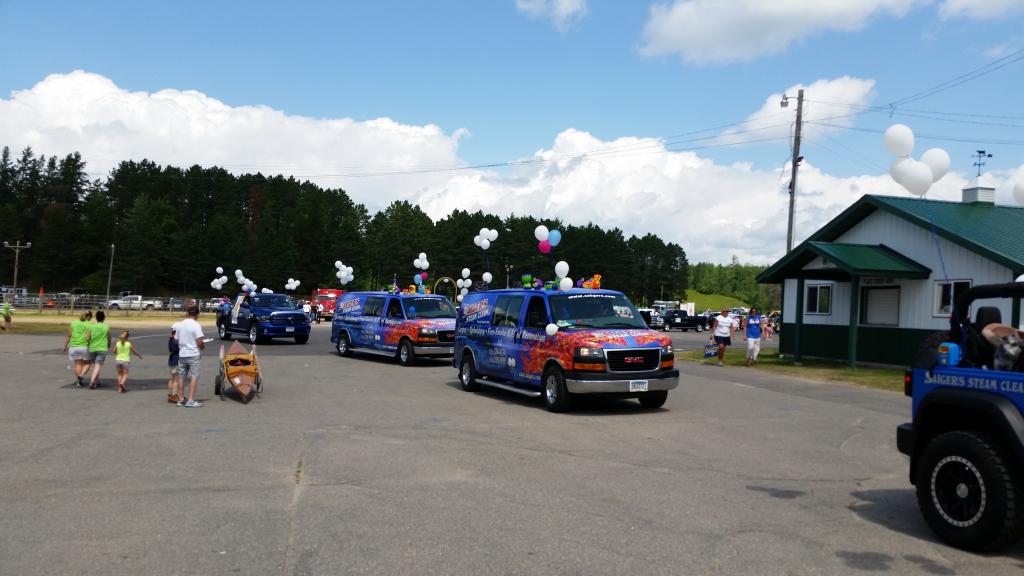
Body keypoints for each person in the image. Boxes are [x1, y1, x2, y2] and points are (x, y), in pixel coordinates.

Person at [176, 305, 205, 407]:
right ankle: (191, 400)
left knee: (181, 376)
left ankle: (180, 399)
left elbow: (177, 339)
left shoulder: (180, 324)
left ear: (187, 313)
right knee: (194, 376)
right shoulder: (196, 325)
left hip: (182, 353)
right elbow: (199, 342)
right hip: (193, 353)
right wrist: (202, 346)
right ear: (197, 314)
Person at [63, 311, 93, 386]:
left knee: (78, 364)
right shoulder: (89, 324)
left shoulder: (73, 323)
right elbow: (88, 338)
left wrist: (65, 345)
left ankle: (78, 382)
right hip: (84, 346)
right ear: (89, 317)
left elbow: (69, 335)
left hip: (73, 346)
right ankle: (81, 375)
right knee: (88, 363)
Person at [86, 310, 112, 389]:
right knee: (98, 365)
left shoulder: (92, 326)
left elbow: (87, 338)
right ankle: (92, 381)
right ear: (104, 318)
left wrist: (89, 344)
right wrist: (108, 345)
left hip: (92, 348)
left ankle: (96, 381)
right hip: (102, 348)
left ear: (96, 318)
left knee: (95, 365)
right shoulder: (106, 327)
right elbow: (109, 338)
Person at [167, 323, 181, 403]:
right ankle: (174, 395)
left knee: (171, 378)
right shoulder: (176, 340)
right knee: (176, 379)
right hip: (177, 360)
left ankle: (170, 394)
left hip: (171, 360)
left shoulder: (170, 339)